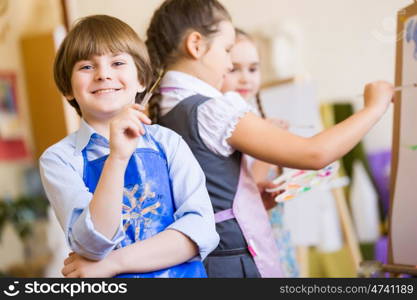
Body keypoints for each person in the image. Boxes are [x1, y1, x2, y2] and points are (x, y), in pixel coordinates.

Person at [144, 0, 395, 278]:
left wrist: (246, 200)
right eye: (227, 51)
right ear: (196, 45)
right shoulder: (211, 109)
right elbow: (315, 154)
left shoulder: (164, 105)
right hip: (231, 260)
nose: (228, 64)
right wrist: (374, 108)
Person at [39, 14, 219, 278]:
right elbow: (92, 244)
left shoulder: (168, 143)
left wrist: (114, 263)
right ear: (67, 88)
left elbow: (201, 231)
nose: (103, 74)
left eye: (118, 62)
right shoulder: (59, 159)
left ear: (141, 80)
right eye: (87, 67)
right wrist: (117, 157)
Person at [221, 28, 299, 277]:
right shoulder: (225, 126)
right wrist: (269, 149)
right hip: (249, 243)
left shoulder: (255, 116)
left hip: (276, 234)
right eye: (235, 69)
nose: (245, 78)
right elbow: (245, 192)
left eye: (253, 69)